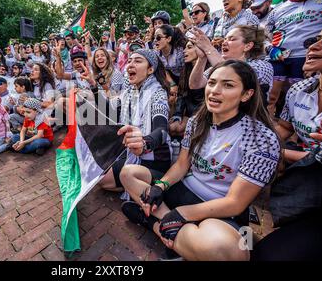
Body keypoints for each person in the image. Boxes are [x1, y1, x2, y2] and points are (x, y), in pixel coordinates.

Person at [119, 60, 280, 261]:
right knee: (128, 173)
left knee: (232, 252)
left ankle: (153, 222)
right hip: (184, 190)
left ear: (246, 94)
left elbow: (236, 203)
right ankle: (176, 235)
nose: (214, 91)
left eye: (228, 85)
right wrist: (160, 186)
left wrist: (180, 215)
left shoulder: (262, 138)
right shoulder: (196, 121)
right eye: (212, 83)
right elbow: (182, 164)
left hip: (220, 209)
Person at [252, 30, 322, 261]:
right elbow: (283, 129)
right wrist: (258, 143)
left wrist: (283, 153)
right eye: (312, 41)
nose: (312, 47)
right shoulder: (298, 90)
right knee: (266, 254)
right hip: (309, 179)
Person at [80, 49, 173, 193]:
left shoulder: (157, 93)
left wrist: (144, 143)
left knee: (104, 181)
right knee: (98, 174)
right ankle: (133, 184)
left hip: (154, 156)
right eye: (129, 60)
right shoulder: (129, 91)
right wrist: (93, 85)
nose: (130, 64)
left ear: (150, 69)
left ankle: (152, 181)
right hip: (131, 151)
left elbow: (161, 130)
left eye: (137, 61)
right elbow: (108, 111)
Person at [265, 0, 322, 116]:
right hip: (278, 58)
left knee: (301, 102)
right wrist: (270, 47)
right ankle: (265, 130)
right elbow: (263, 33)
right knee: (269, 98)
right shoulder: (279, 8)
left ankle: (293, 138)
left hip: (307, 59)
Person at [189, 25, 274, 106]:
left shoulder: (263, 66)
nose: (223, 43)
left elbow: (232, 74)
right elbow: (195, 84)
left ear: (247, 46)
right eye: (225, 39)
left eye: (232, 39)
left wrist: (208, 48)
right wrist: (202, 59)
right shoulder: (221, 64)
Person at [169, 41, 205, 138]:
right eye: (185, 48)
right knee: (173, 127)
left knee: (181, 130)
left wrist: (191, 119)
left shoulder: (210, 70)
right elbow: (182, 94)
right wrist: (177, 115)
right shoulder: (186, 69)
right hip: (189, 111)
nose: (184, 51)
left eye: (189, 47)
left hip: (202, 114)